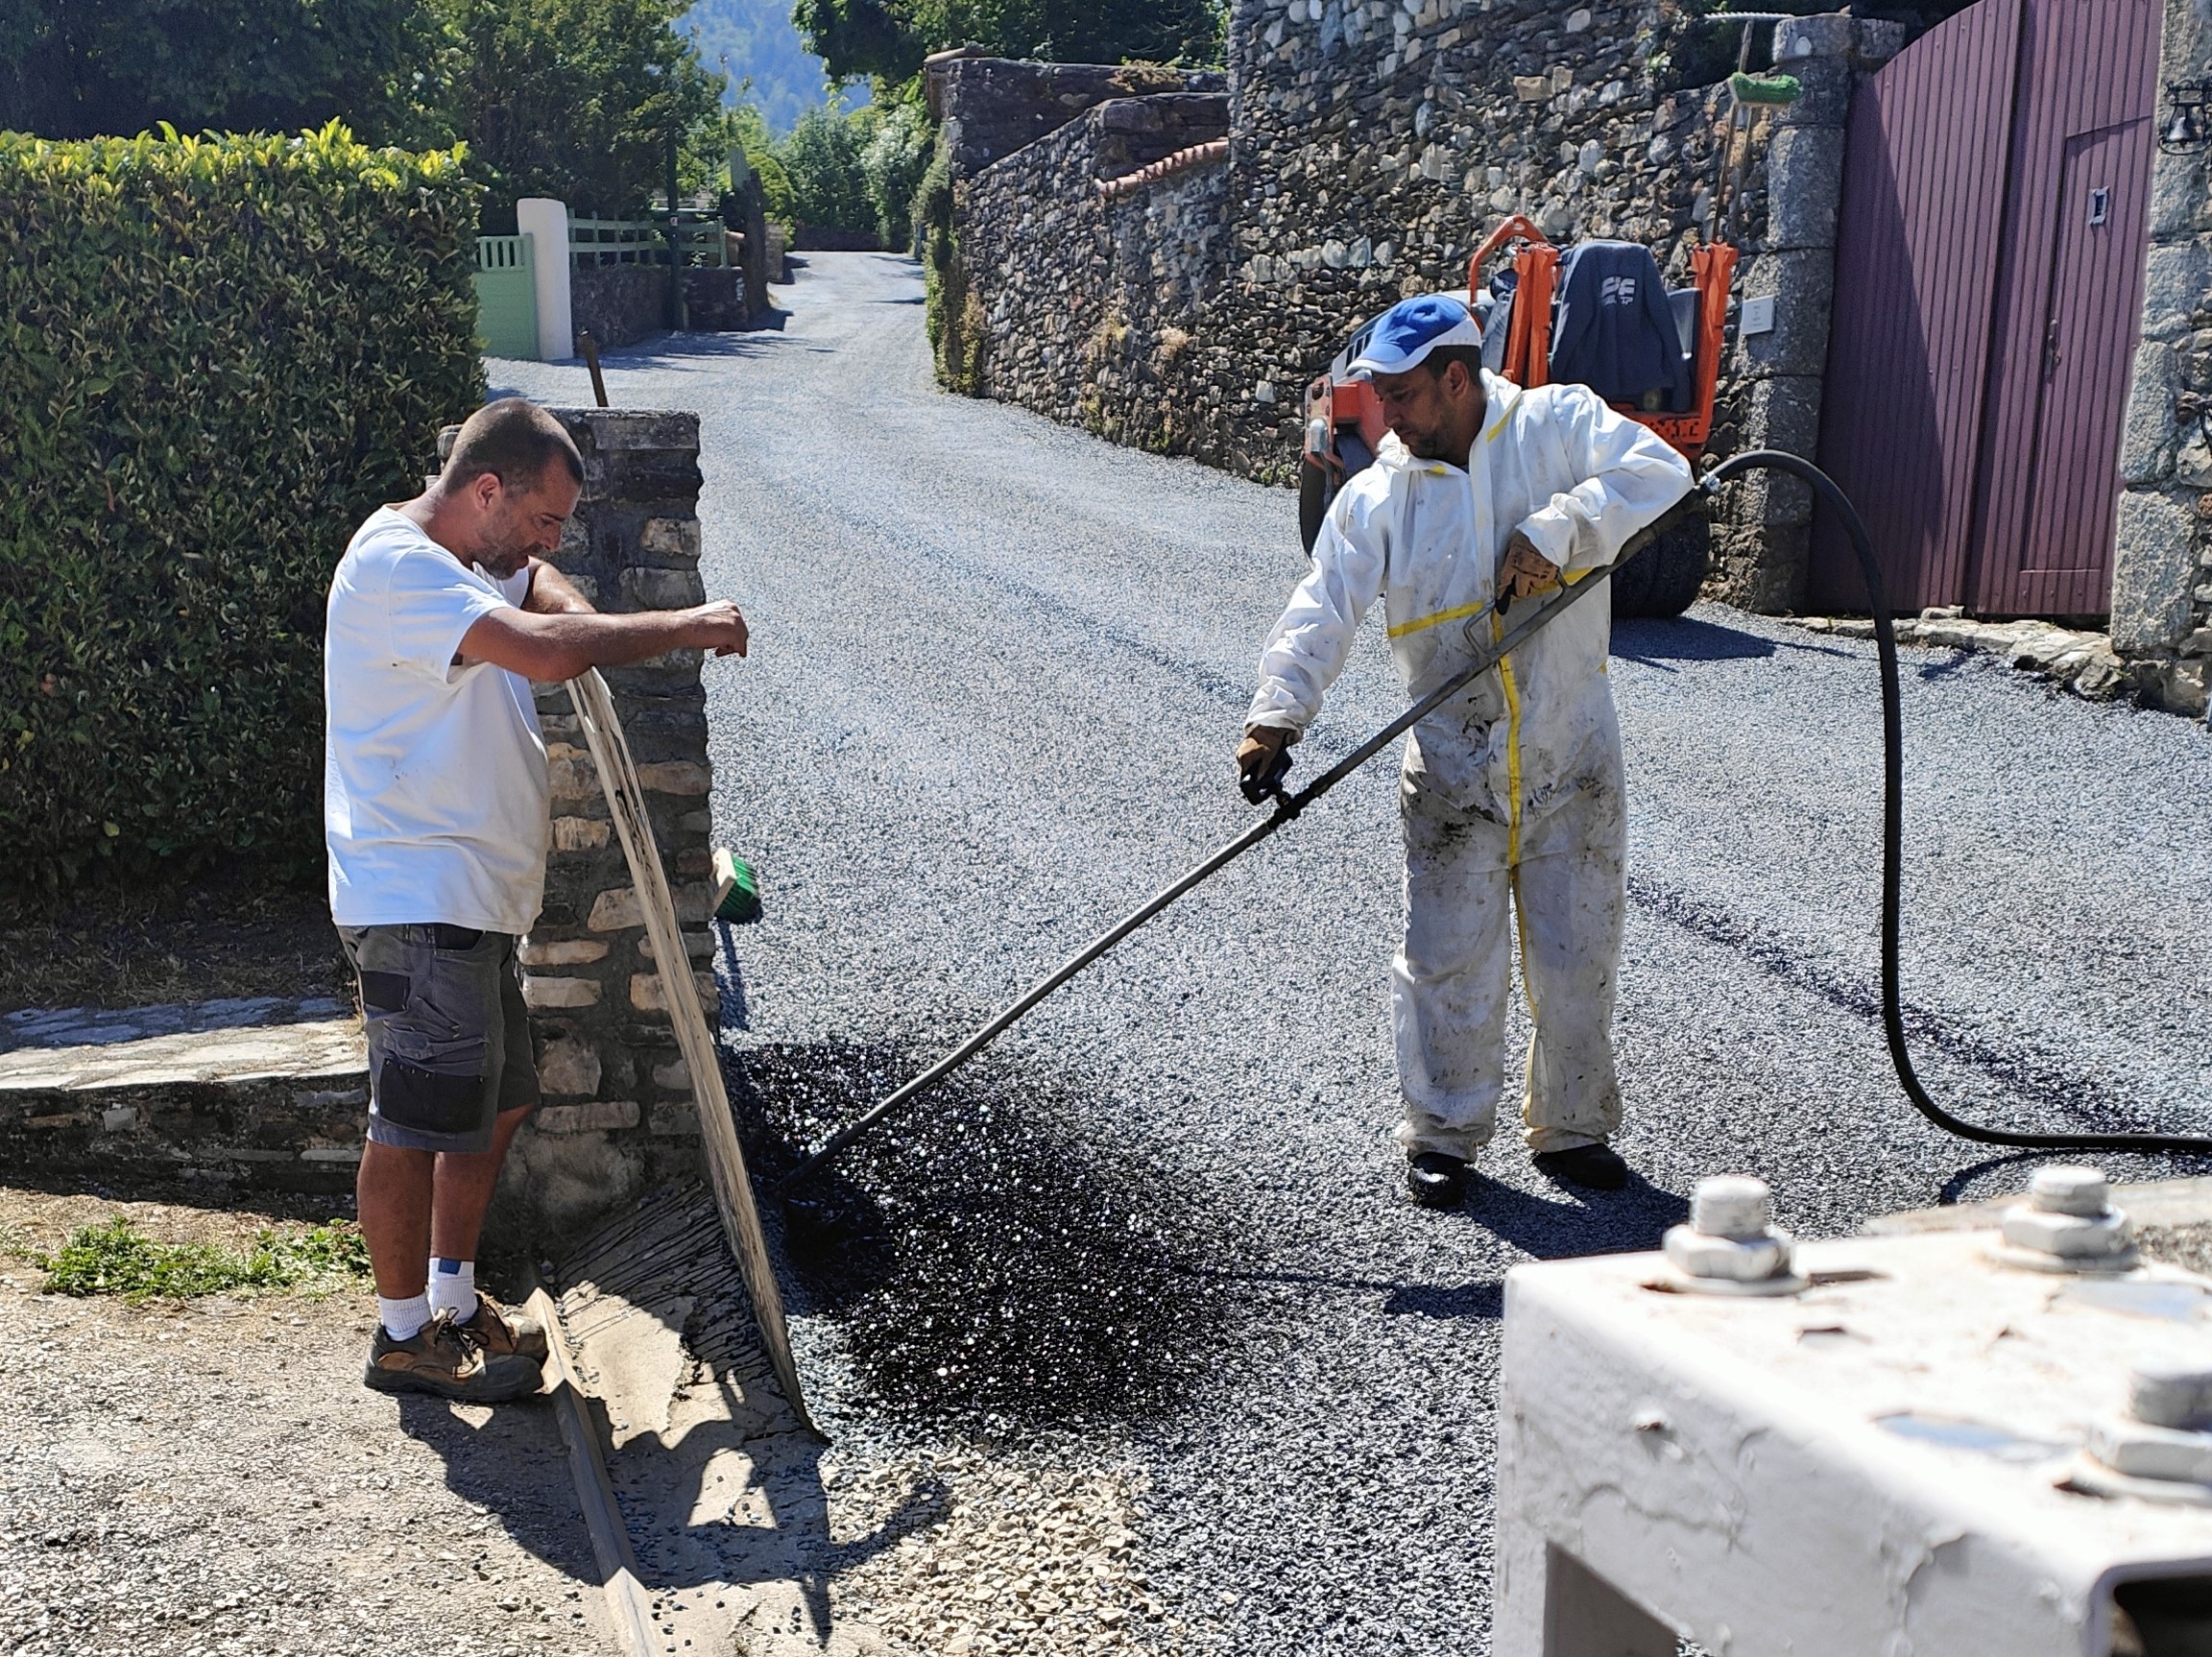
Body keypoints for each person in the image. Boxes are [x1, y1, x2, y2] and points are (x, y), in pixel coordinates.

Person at [325, 396, 749, 1400]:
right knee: (410, 1120)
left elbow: (538, 586)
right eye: (544, 517)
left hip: (465, 898)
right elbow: (553, 653)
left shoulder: (465, 555)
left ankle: (455, 1299)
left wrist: (549, 582)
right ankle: (401, 1339)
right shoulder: (400, 570)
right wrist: (688, 624)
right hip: (417, 897)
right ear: (485, 490)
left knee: (499, 1102)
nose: (552, 541)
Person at [1239, 295, 1692, 1209]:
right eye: (1381, 398)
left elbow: (1663, 469)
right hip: (1451, 765)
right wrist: (1277, 715)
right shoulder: (1380, 493)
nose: (1388, 419)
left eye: (1402, 396)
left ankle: (1571, 1130)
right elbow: (1323, 605)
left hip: (1572, 753)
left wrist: (1559, 531)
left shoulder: (1554, 427)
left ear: (1457, 378)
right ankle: (1444, 1133)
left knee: (1577, 956)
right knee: (1446, 959)